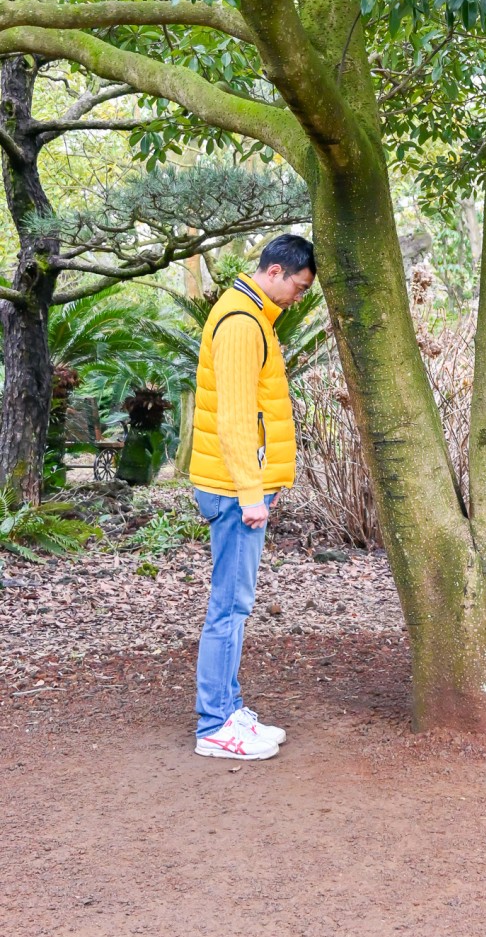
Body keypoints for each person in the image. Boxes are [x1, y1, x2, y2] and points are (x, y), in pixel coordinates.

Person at [189, 233, 316, 759]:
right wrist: (251, 493)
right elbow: (237, 419)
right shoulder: (242, 323)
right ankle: (215, 725)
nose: (299, 298)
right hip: (233, 487)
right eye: (300, 287)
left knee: (235, 605)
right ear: (275, 272)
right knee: (230, 607)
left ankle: (228, 707)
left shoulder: (249, 313)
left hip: (236, 484)